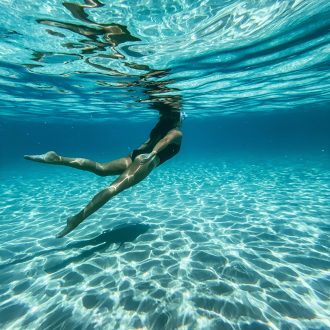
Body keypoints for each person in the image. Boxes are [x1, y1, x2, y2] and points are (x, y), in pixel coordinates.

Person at [24, 111, 184, 238]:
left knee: (100, 168)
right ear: (178, 118)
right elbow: (166, 141)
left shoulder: (159, 127)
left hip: (133, 156)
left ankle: (56, 158)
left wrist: (144, 154)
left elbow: (148, 143)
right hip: (146, 160)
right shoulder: (176, 132)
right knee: (113, 189)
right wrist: (152, 155)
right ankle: (76, 220)